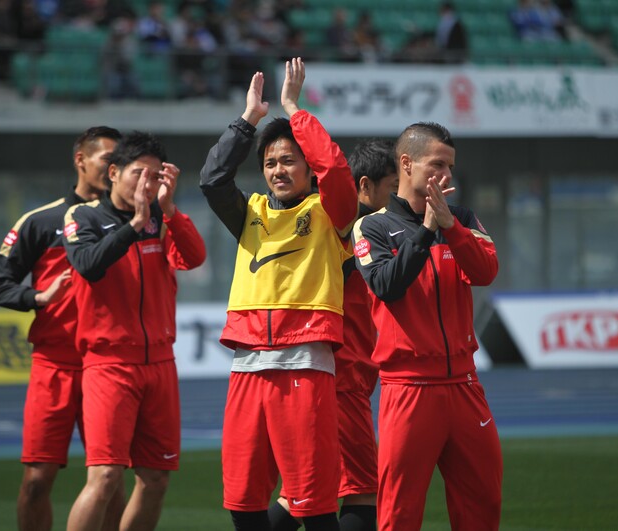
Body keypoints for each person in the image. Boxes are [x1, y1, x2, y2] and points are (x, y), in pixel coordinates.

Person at [199, 58, 358, 531]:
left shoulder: (331, 214)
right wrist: (247, 122)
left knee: (314, 505)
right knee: (242, 501)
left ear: (308, 169)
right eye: (270, 163)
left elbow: (336, 169)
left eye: (289, 160)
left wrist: (293, 108)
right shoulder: (249, 211)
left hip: (304, 365)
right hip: (247, 365)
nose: (277, 170)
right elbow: (211, 179)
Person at [351, 122, 502, 530]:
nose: (447, 176)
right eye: (438, 164)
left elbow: (486, 270)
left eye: (450, 167)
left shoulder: (463, 219)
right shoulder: (372, 227)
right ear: (406, 164)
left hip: (465, 387)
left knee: (483, 506)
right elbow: (387, 285)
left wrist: (450, 226)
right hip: (409, 391)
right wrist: (429, 228)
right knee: (399, 514)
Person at [63, 131, 206, 531]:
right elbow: (89, 264)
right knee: (106, 475)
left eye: (157, 174)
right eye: (139, 173)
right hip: (110, 365)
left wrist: (169, 210)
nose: (148, 182)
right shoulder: (84, 217)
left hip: (160, 363)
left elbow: (194, 257)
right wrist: (135, 225)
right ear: (113, 172)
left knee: (156, 479)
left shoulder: (164, 218)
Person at [0, 126, 126, 531]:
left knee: (110, 480)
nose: (115, 169)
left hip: (110, 365)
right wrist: (37, 297)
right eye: (106, 160)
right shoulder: (39, 221)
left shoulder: (132, 222)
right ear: (81, 160)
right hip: (55, 365)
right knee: (36, 481)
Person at [271, 139, 398, 531]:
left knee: (301, 493)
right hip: (341, 377)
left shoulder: (354, 229)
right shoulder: (349, 229)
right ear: (363, 187)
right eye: (393, 188)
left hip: (333, 373)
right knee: (359, 488)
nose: (398, 199)